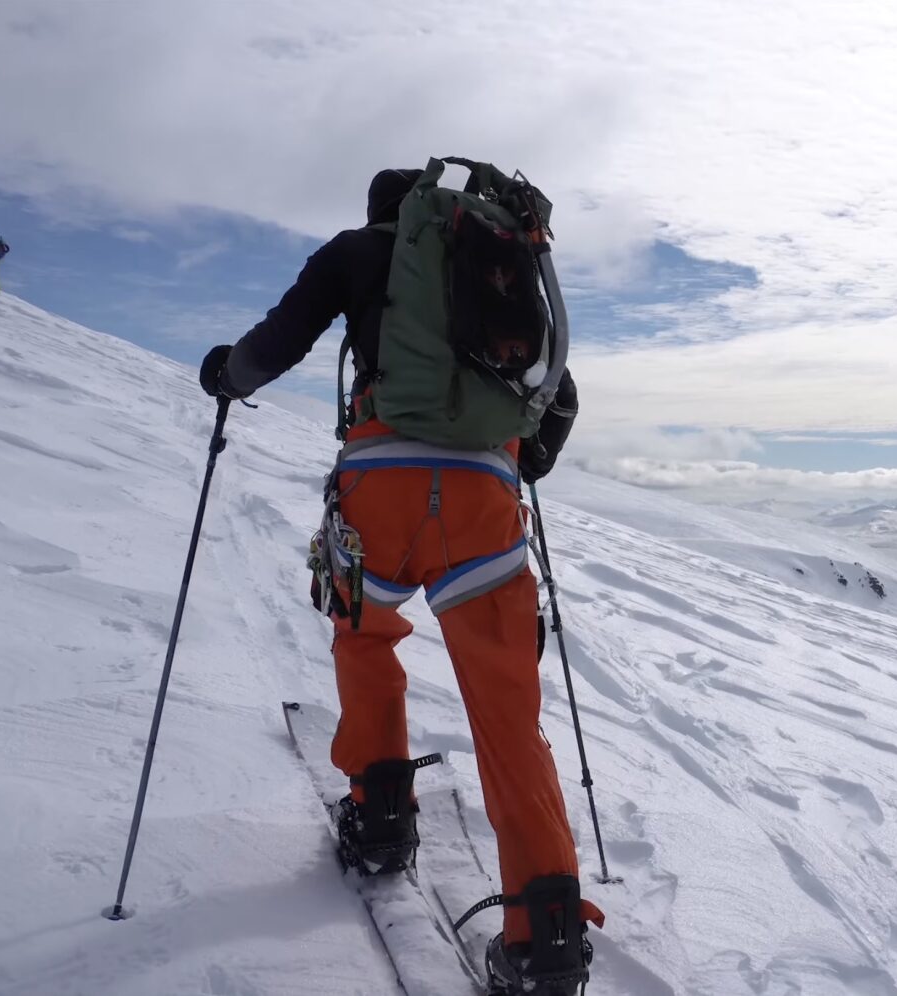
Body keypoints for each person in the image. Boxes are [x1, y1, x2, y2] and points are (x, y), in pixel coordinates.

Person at [198, 166, 597, 995]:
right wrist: (517, 463)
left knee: (366, 635)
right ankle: (546, 933)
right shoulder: (495, 264)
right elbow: (557, 394)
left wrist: (225, 378)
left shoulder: (353, 253)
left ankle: (381, 816)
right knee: (507, 711)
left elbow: (274, 345)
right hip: (485, 506)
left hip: (377, 489)